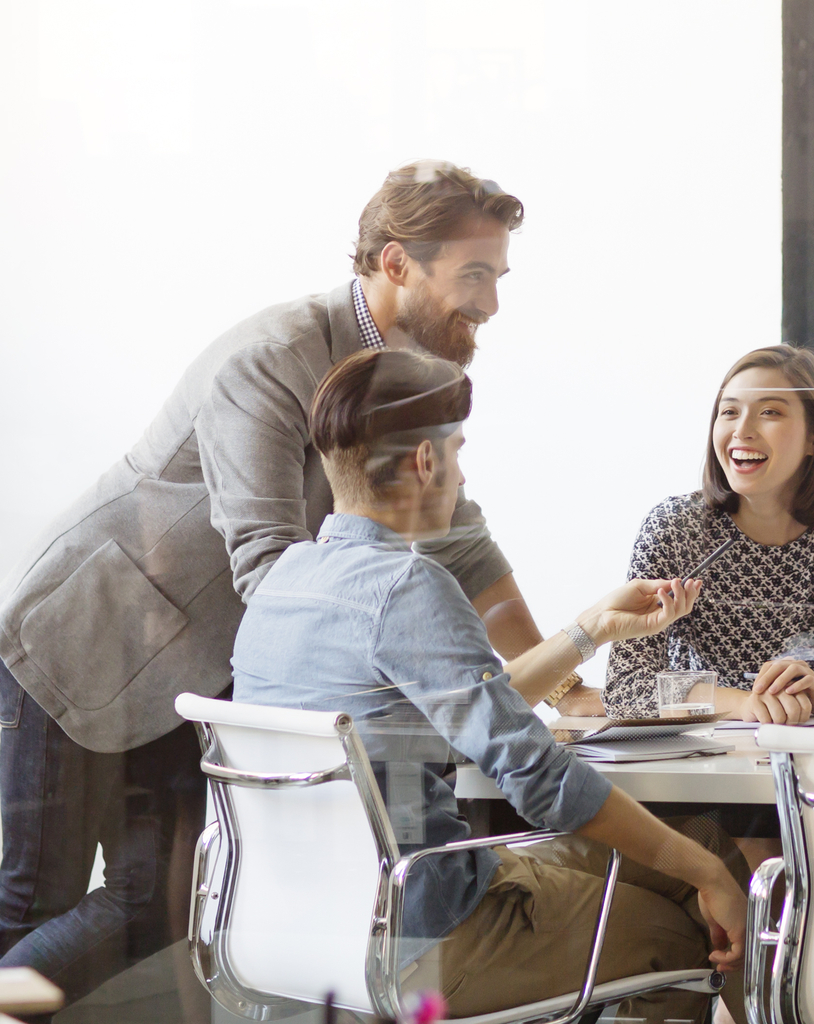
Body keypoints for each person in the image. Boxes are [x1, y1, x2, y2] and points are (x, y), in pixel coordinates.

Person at [0, 160, 579, 1002]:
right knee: (34, 898)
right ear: (395, 263)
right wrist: (406, 663)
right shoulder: (272, 359)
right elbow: (269, 567)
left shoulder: (408, 375)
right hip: (85, 645)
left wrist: (561, 681)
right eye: (475, 275)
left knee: (161, 907)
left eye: (497, 275)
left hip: (198, 672)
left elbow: (463, 533)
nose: (491, 302)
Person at [233, 349, 748, 1023]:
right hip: (425, 931)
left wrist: (592, 628)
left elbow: (473, 707)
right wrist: (706, 879)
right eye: (459, 451)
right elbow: (540, 777)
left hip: (294, 930)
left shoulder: (286, 582)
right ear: (425, 462)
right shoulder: (407, 586)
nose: (463, 473)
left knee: (699, 842)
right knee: (690, 924)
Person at [599, 345, 814, 723]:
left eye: (769, 412)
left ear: (813, 438)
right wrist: (743, 702)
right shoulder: (674, 527)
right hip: (703, 762)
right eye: (730, 412)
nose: (742, 430)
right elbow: (624, 687)